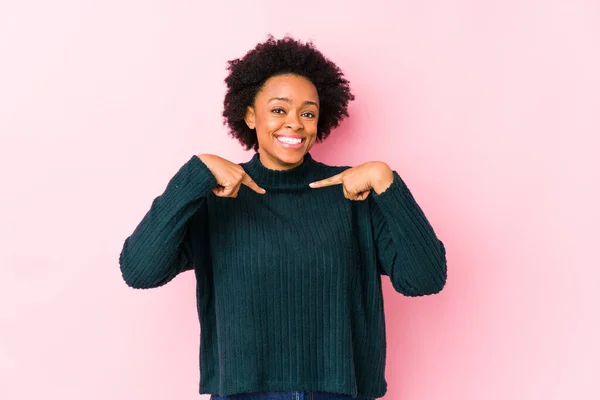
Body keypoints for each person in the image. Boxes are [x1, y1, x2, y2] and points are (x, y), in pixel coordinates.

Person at [119, 35, 447, 400]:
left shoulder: (355, 194)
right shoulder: (216, 195)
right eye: (279, 110)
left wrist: (388, 184)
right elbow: (140, 271)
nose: (295, 123)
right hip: (242, 393)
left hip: (338, 392)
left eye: (307, 113)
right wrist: (193, 175)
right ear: (249, 115)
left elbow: (425, 279)